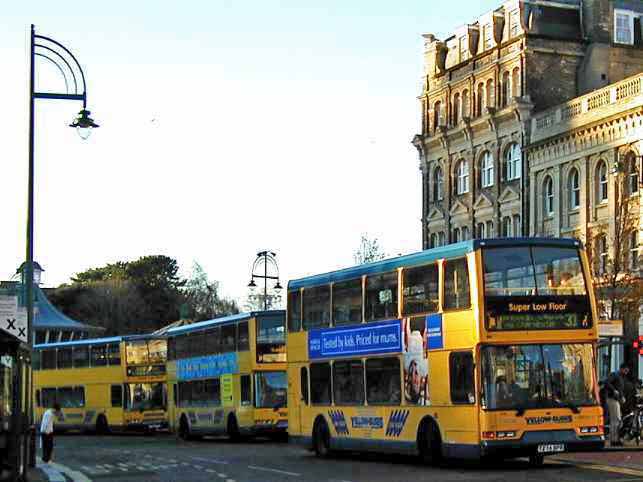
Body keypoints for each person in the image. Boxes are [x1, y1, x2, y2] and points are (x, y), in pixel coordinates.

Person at [606, 363, 629, 446]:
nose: (626, 372)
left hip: (616, 400)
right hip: (612, 399)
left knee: (617, 420)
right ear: (621, 369)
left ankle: (616, 439)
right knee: (616, 420)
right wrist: (613, 390)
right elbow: (607, 382)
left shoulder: (621, 377)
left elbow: (620, 389)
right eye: (625, 370)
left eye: (627, 371)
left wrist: (622, 397)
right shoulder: (615, 375)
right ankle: (614, 440)